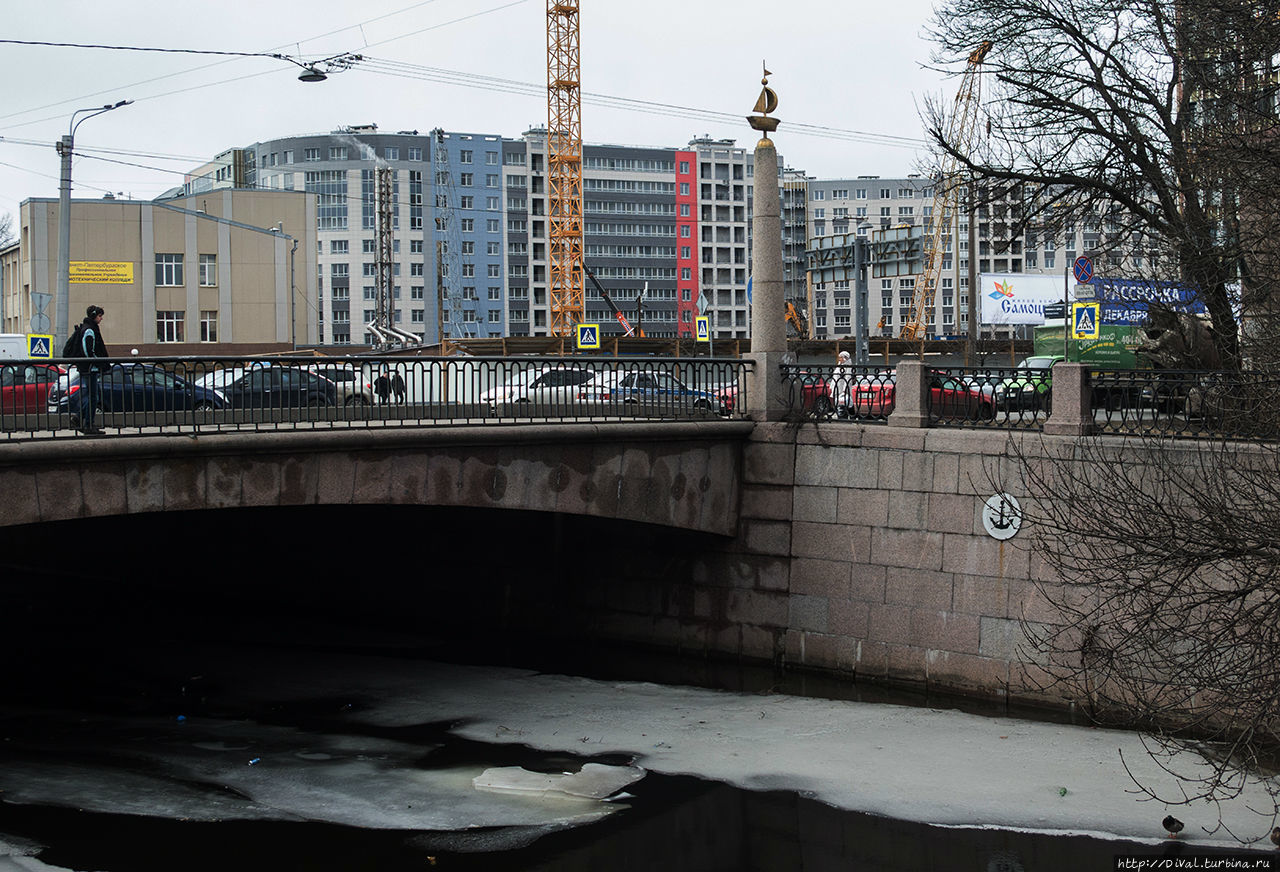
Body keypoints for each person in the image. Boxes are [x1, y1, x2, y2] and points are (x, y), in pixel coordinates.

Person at [76, 305, 110, 435]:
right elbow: (88, 350)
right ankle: (88, 425)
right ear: (94, 316)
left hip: (89, 368)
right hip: (90, 368)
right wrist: (97, 361)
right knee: (93, 397)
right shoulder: (89, 330)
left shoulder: (88, 328)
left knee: (93, 396)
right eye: (100, 316)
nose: (101, 319)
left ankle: (80, 418)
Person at [831, 350, 853, 418]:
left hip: (842, 388)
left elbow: (848, 378)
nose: (839, 359)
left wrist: (844, 389)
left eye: (841, 357)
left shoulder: (848, 367)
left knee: (843, 403)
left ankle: (844, 416)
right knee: (837, 402)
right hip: (837, 387)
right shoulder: (839, 365)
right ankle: (840, 415)